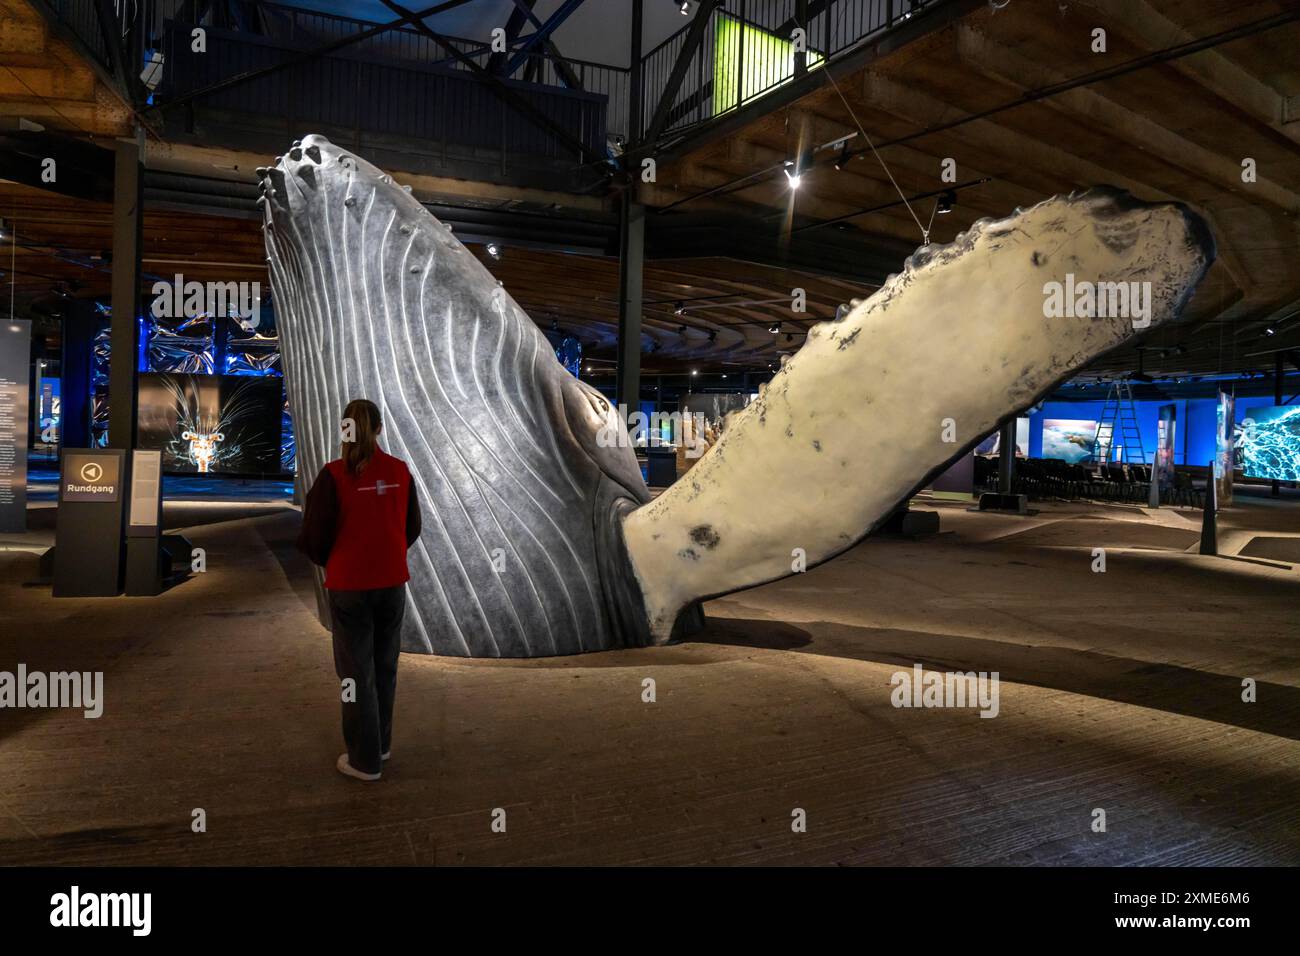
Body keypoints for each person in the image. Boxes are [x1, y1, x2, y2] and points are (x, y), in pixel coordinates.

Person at [297, 399, 421, 781]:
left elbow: (314, 536)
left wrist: (334, 560)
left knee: (355, 675)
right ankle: (380, 746)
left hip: (350, 586)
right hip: (392, 584)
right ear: (380, 429)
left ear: (344, 430)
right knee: (385, 666)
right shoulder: (400, 472)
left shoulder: (333, 476)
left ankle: (364, 761)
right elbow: (412, 527)